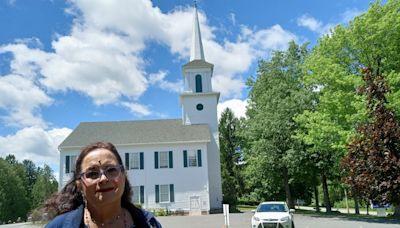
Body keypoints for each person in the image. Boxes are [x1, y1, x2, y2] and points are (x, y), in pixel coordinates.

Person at [45, 141, 162, 228]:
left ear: (123, 175)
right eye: (92, 173)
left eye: (111, 170)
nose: (103, 179)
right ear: (79, 184)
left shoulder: (149, 224)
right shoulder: (59, 225)